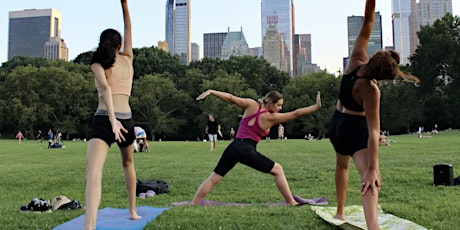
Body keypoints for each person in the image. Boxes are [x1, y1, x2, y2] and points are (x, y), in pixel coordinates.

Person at [328, 1, 419, 229]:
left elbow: (368, 19)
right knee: (371, 179)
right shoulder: (371, 90)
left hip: (337, 124)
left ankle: (340, 212)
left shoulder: (356, 60)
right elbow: (373, 131)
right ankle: (373, 226)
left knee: (342, 166)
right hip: (353, 129)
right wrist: (371, 168)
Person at [192, 90, 321, 206]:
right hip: (246, 150)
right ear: (270, 103)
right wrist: (315, 107)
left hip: (234, 146)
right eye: (278, 105)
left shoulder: (251, 104)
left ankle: (194, 203)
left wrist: (211, 91)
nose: (280, 108)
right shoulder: (270, 117)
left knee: (214, 178)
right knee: (278, 169)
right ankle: (291, 202)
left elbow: (231, 98)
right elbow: (296, 114)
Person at [84, 1, 141, 229]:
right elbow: (129, 27)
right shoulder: (128, 58)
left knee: (94, 172)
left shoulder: (97, 63)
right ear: (119, 46)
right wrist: (124, 4)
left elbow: (106, 88)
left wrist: (111, 121)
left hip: (104, 119)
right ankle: (133, 211)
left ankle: (90, 226)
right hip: (125, 119)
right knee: (128, 163)